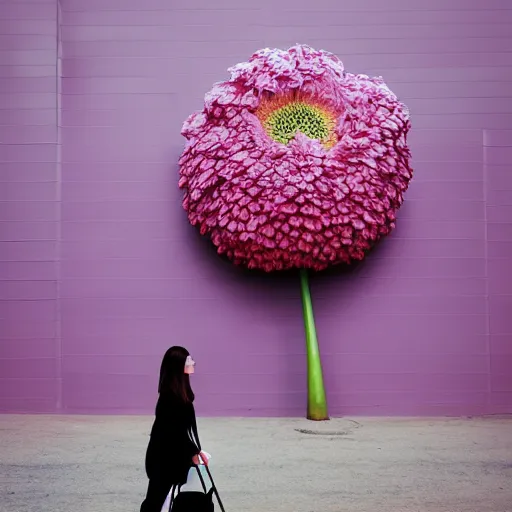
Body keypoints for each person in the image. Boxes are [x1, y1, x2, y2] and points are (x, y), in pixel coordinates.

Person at [140, 346, 208, 512]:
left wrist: (194, 451)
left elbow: (178, 431)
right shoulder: (171, 398)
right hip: (163, 459)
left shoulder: (176, 394)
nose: (193, 362)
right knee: (154, 501)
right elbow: (173, 433)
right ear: (178, 366)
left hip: (168, 456)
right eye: (188, 360)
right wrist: (193, 453)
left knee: (159, 499)